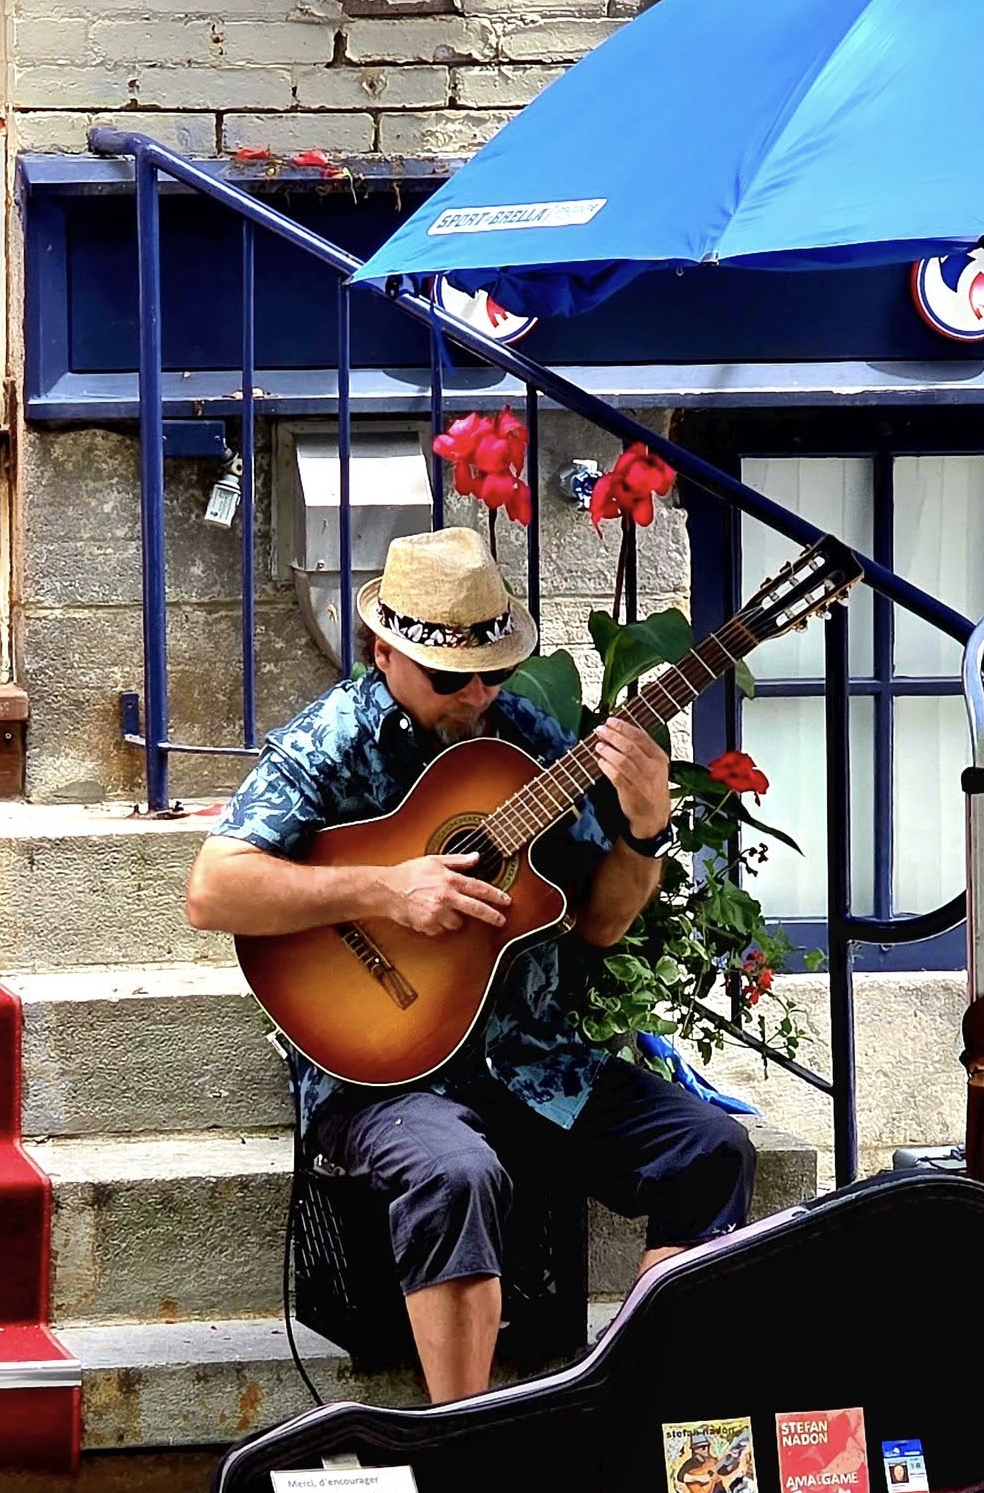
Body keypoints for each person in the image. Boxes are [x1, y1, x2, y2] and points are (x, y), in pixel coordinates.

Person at [186, 528, 754, 1404]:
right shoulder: (333, 739)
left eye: (493, 670)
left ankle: (640, 1397)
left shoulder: (522, 735)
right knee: (456, 1175)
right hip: (378, 1073)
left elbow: (598, 926)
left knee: (710, 1151)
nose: (477, 694)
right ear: (386, 652)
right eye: (452, 678)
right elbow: (215, 891)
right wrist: (387, 890)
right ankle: (471, 1445)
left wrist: (645, 826)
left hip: (530, 1059)